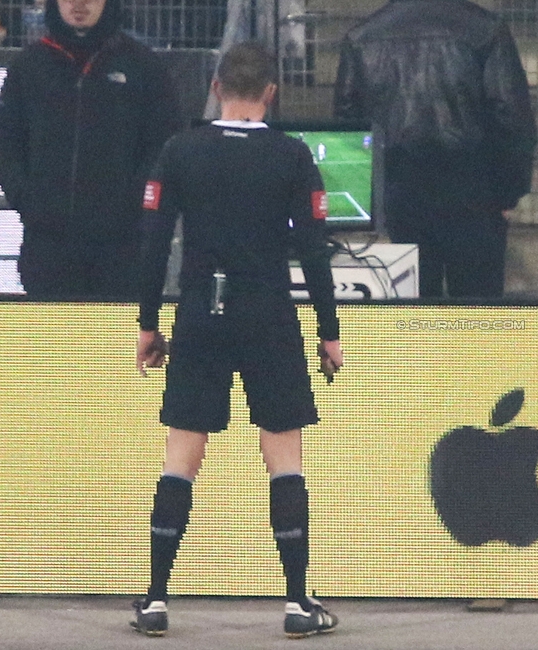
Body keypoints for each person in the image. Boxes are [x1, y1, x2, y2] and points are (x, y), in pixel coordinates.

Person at [130, 42, 343, 638]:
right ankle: (298, 604)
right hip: (270, 316)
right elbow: (315, 253)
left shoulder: (181, 150)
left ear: (218, 86)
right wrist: (328, 331)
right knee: (285, 459)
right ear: (270, 92)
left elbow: (153, 244)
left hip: (201, 313)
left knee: (182, 458)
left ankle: (155, 600)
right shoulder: (292, 155)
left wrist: (149, 322)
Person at [333, 0, 537, 299]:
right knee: (477, 312)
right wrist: (509, 191)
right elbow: (511, 117)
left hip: (400, 191)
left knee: (413, 308)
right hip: (475, 192)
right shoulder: (485, 30)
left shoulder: (363, 36)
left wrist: (371, 197)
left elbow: (348, 122)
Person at [0, 0, 182, 298]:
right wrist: (27, 200)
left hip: (121, 249)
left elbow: (165, 144)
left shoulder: (143, 65)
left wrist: (132, 204)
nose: (79, 4)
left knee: (113, 344)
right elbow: (3, 139)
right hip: (48, 247)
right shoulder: (30, 65)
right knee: (52, 342)